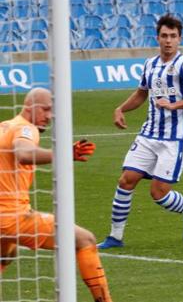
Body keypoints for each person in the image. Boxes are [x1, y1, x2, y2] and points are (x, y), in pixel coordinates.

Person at [98, 15, 183, 249]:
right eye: (164, 36)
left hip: (173, 139)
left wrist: (174, 105)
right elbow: (141, 93)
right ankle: (115, 237)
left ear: (179, 39)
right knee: (126, 180)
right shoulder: (150, 64)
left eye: (173, 36)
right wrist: (121, 108)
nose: (168, 41)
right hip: (148, 134)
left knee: (158, 193)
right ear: (157, 38)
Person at [0, 88, 112, 301]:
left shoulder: (4, 126)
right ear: (30, 106)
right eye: (45, 109)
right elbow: (23, 154)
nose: (49, 117)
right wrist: (64, 153)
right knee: (84, 239)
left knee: (6, 253)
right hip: (11, 216)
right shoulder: (26, 128)